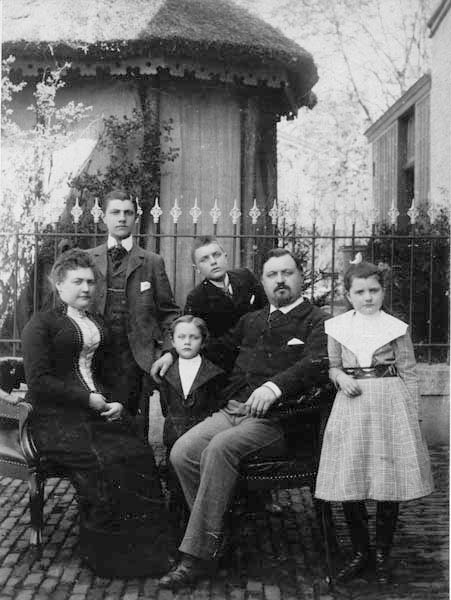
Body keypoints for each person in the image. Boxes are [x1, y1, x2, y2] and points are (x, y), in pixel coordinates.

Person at [151, 248, 329, 589]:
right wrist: (173, 353)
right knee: (182, 452)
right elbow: (213, 347)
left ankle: (197, 556)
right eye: (272, 275)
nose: (280, 280)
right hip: (233, 409)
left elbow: (315, 363)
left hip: (279, 420)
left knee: (219, 449)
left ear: (300, 276)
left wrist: (274, 387)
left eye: (287, 273)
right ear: (262, 281)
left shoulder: (316, 320)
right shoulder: (253, 320)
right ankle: (218, 536)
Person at [21, 249, 172, 578]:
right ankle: (108, 556)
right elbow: (39, 381)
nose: (86, 288)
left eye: (90, 282)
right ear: (59, 285)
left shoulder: (96, 323)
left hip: (93, 414)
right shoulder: (41, 324)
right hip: (52, 419)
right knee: (106, 461)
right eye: (77, 282)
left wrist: (116, 401)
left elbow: (107, 373)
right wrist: (86, 399)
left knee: (138, 451)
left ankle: (147, 551)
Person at [315, 259, 434, 585]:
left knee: (387, 477)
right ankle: (360, 552)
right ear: (348, 295)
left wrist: (413, 414)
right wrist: (340, 377)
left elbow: (408, 371)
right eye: (360, 292)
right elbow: (333, 366)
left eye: (374, 290)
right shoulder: (337, 327)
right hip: (352, 405)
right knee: (350, 475)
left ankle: (382, 552)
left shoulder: (395, 327)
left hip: (389, 404)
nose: (368, 297)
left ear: (383, 292)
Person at [87, 190, 180, 434]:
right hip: (94, 358)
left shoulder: (152, 262)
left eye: (128, 213)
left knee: (134, 432)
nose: (122, 218)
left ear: (136, 218)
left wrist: (168, 351)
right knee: (93, 430)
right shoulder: (87, 259)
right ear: (104, 218)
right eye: (115, 212)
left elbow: (170, 313)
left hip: (135, 361)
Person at [185, 236, 266, 370]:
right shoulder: (196, 298)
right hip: (227, 365)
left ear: (225, 257)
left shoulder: (246, 277)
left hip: (260, 354)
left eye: (216, 255)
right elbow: (201, 342)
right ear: (197, 269)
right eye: (204, 259)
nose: (213, 262)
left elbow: (267, 309)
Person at [159, 315, 227, 451]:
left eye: (194, 337)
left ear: (203, 342)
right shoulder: (166, 373)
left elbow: (216, 407)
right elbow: (166, 406)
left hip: (202, 437)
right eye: (181, 337)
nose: (187, 342)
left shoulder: (213, 373)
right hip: (173, 435)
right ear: (172, 342)